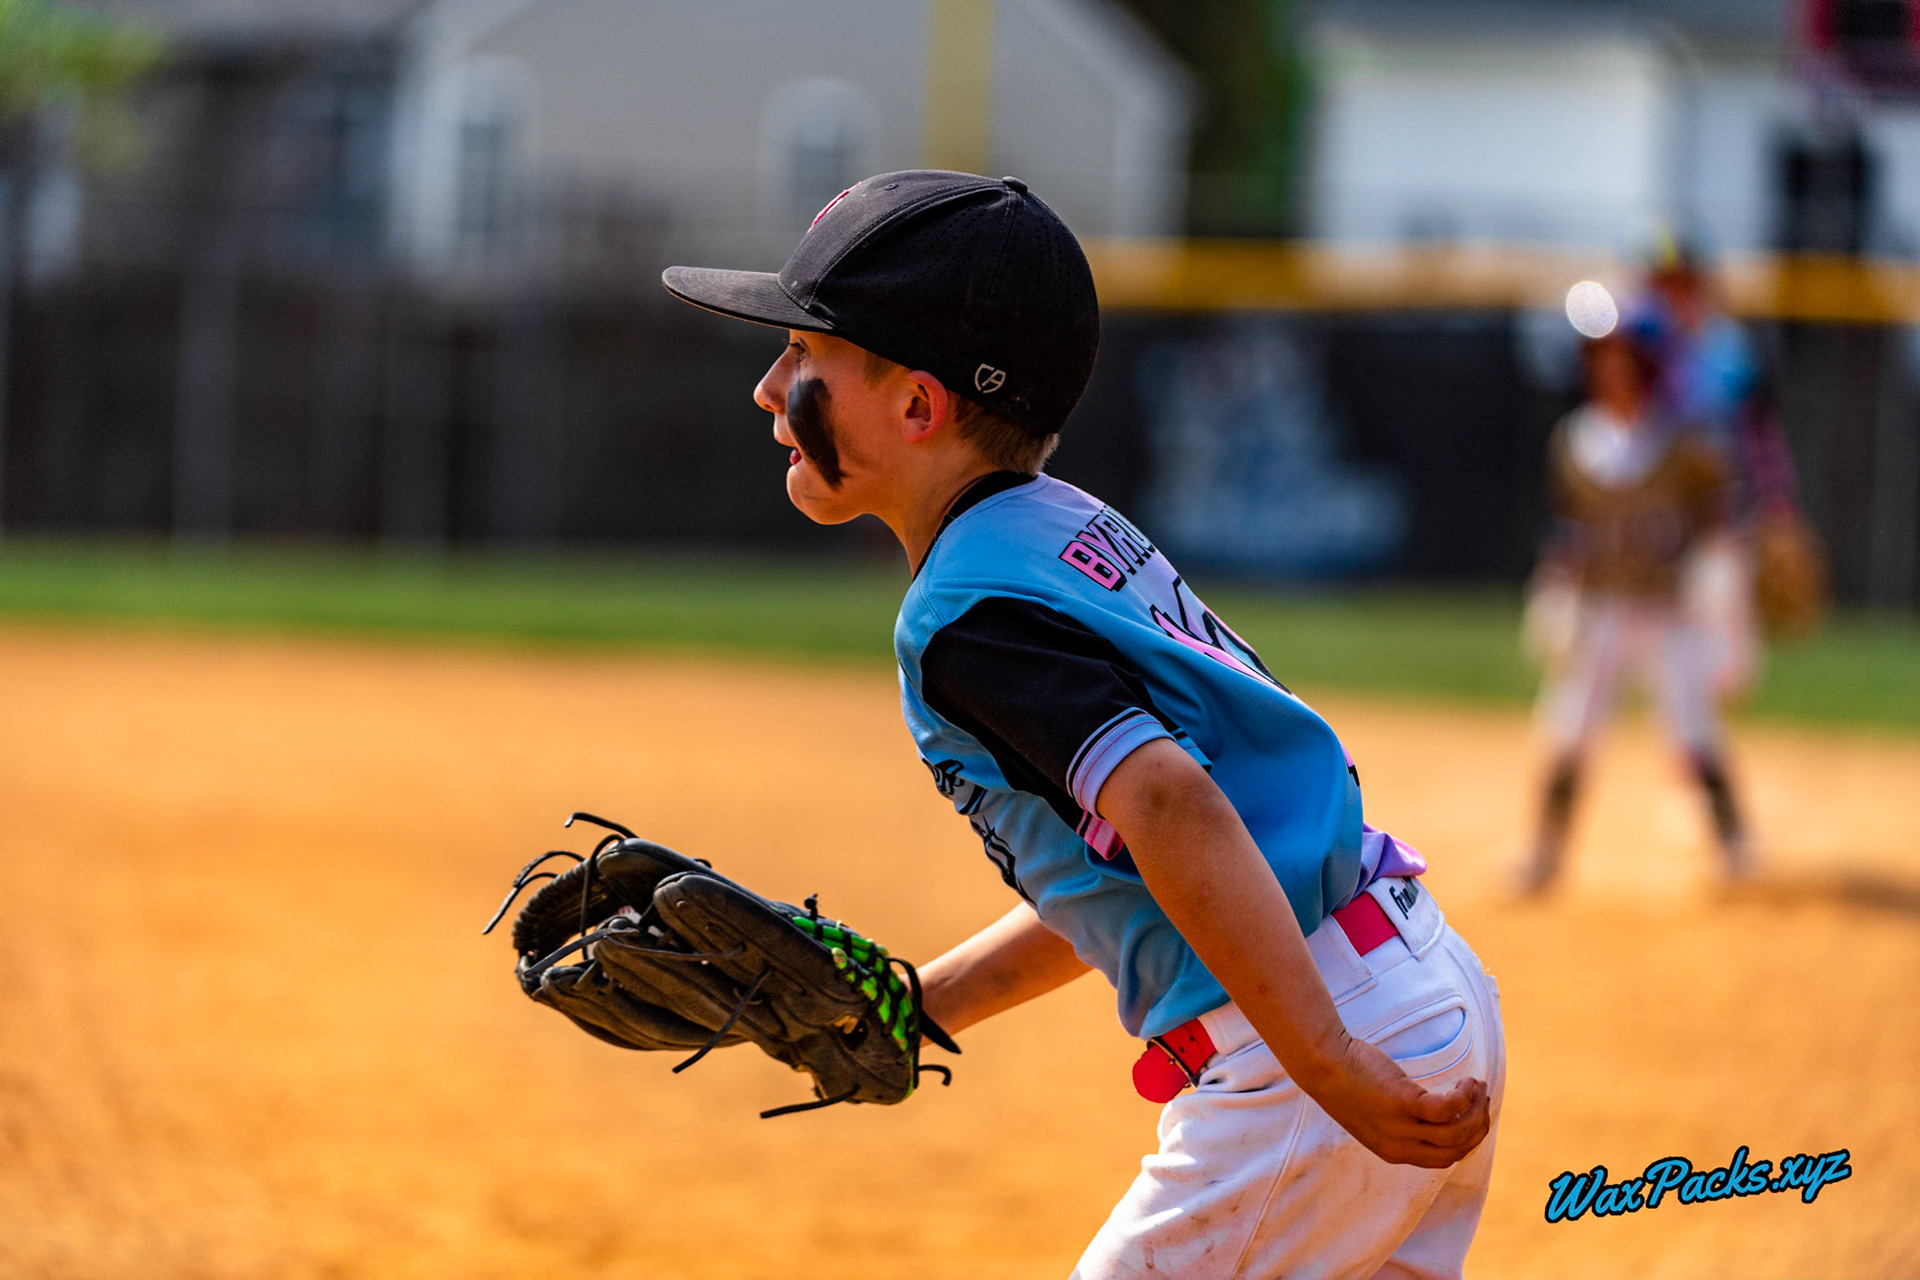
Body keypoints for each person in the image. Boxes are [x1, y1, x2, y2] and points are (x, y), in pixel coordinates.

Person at [663, 170, 1502, 1279]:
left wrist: (1334, 1067)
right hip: (1405, 983)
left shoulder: (969, 614)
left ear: (918, 405)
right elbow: (1150, 865)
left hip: (1313, 1057)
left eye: (807, 356)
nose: (771, 389)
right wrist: (926, 1003)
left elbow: (1170, 804)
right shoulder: (1061, 532)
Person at [1519, 325, 1751, 895]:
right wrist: (1556, 587)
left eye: (1622, 360)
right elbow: (1569, 529)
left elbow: (1714, 521)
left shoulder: (1682, 447)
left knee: (1692, 727)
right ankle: (1544, 854)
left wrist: (1719, 578)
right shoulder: (1575, 441)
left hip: (1666, 611)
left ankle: (1734, 847)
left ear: (1647, 368)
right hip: (1601, 609)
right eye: (1601, 359)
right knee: (1570, 726)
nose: (1609, 372)